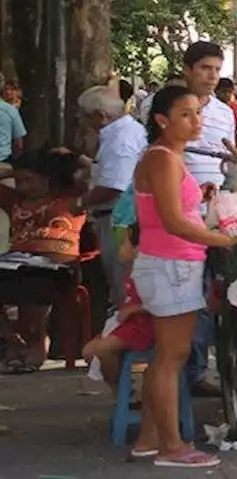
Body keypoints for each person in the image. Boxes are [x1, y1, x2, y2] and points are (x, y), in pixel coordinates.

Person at [129, 84, 237, 468]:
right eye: (186, 114)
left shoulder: (170, 157)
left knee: (167, 356)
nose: (196, 121)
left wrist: (203, 197)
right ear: (162, 120)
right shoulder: (162, 157)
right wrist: (225, 240)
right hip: (170, 265)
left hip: (172, 262)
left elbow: (178, 211)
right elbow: (175, 222)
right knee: (171, 357)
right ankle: (171, 447)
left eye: (197, 113)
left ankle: (149, 438)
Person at [179, 42, 237, 397]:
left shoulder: (225, 112)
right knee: (193, 297)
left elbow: (226, 161)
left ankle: (231, 365)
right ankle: (193, 372)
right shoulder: (168, 106)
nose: (212, 76)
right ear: (187, 69)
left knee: (225, 293)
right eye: (204, 68)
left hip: (218, 214)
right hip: (181, 217)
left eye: (216, 69)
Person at [0, 149, 86, 373]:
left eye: (29, 180)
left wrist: (75, 158)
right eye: (18, 181)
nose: (23, 186)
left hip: (59, 268)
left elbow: (99, 176)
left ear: (47, 178)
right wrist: (10, 170)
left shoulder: (72, 196)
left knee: (35, 283)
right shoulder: (15, 201)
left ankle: (38, 343)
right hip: (17, 264)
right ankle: (14, 342)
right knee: (21, 278)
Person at [73, 85, 148, 307]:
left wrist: (79, 204)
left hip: (119, 220)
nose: (82, 121)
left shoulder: (120, 140)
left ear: (100, 116)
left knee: (122, 287)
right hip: (119, 218)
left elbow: (115, 185)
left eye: (84, 116)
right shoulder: (124, 132)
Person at [83, 226, 153, 390]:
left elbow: (161, 303)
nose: (119, 248)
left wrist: (134, 309)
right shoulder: (130, 272)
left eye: (123, 244)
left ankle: (119, 390)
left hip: (144, 326)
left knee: (103, 350)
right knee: (89, 350)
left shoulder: (148, 273)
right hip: (129, 325)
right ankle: (121, 388)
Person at [0, 81, 26, 175]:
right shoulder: (10, 110)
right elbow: (18, 144)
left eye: (12, 89)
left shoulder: (14, 109)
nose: (8, 92)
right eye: (6, 89)